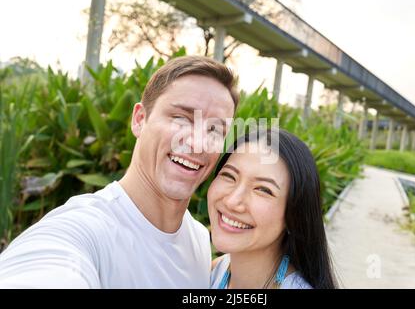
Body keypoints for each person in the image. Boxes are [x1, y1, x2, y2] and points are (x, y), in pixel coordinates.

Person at [0, 56, 238, 288]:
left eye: (214, 129)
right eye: (181, 118)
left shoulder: (198, 239)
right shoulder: (82, 231)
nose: (198, 143)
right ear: (139, 119)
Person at [208, 129, 337, 289]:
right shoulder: (214, 271)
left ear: (294, 216)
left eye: (263, 189)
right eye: (229, 176)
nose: (232, 201)